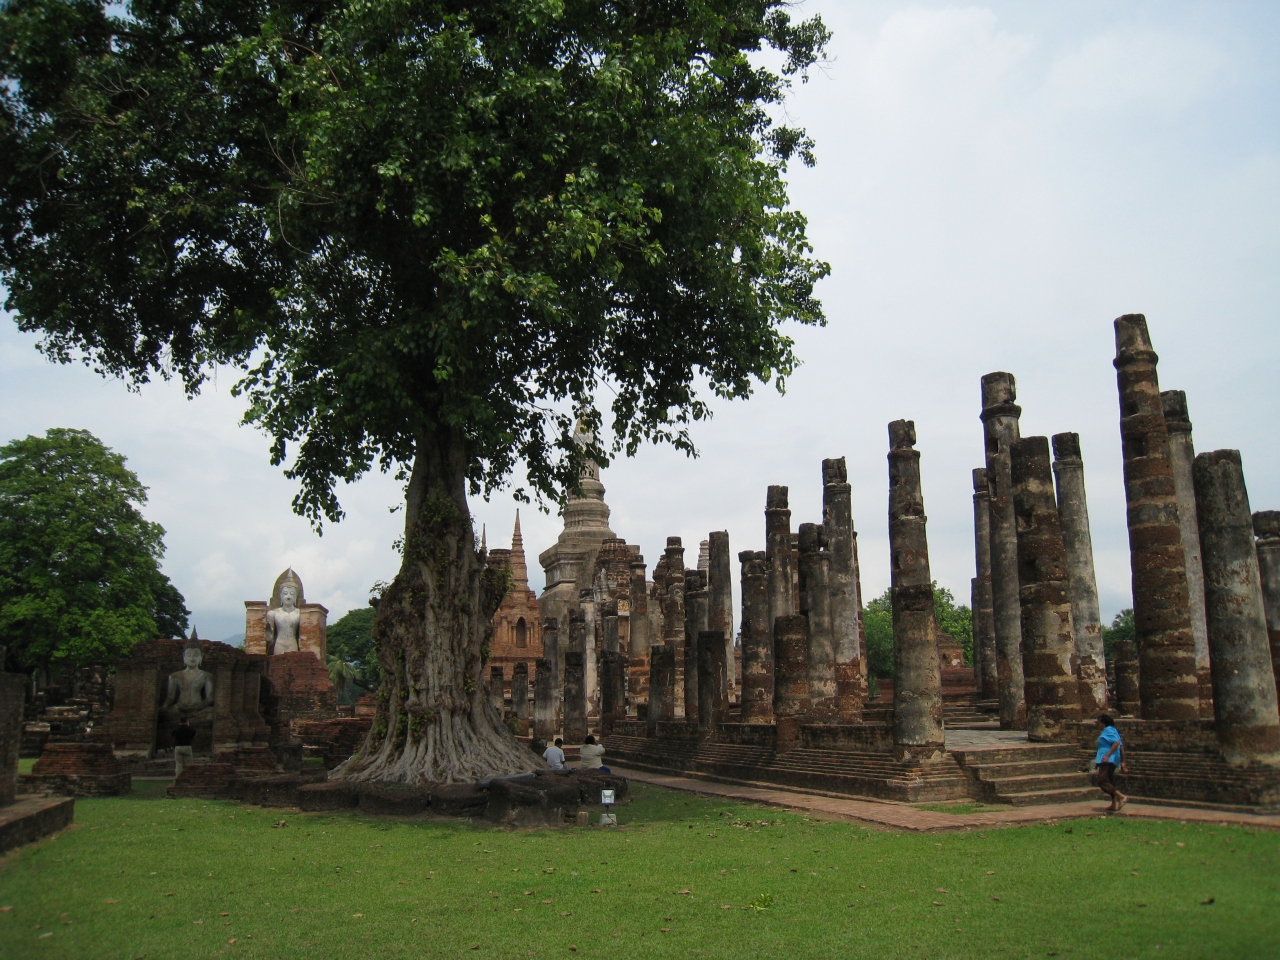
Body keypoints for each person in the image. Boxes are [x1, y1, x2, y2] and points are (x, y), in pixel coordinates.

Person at [1095, 714, 1129, 812]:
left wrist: (1107, 755)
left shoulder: (1109, 730)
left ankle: (1121, 797)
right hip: (1110, 759)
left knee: (1102, 781)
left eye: (1099, 722)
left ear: (1103, 722)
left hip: (1108, 760)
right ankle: (1114, 804)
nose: (1098, 724)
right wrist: (1123, 761)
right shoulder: (1113, 731)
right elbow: (1121, 746)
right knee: (1109, 781)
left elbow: (1116, 743)